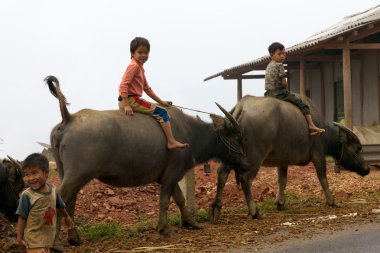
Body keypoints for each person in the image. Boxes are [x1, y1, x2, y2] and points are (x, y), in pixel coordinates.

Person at [118, 37, 189, 149]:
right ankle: (171, 141)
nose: (144, 55)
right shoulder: (134, 66)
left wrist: (161, 102)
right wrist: (126, 105)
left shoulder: (140, 68)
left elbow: (147, 89)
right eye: (140, 52)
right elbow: (123, 85)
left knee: (160, 107)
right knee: (162, 113)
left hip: (133, 99)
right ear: (132, 53)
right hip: (131, 100)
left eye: (146, 52)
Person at [16, 153, 74, 253]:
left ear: (46, 173)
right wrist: (19, 238)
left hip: (49, 239)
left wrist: (67, 217)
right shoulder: (27, 196)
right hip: (33, 241)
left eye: (34, 173)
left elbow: (60, 205)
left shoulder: (53, 190)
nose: (30, 178)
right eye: (26, 174)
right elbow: (22, 217)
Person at [264, 42, 325, 135]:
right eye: (279, 54)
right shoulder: (279, 65)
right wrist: (285, 88)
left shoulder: (268, 66)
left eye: (284, 53)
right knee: (303, 105)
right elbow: (284, 82)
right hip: (279, 93)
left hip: (268, 93)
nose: (282, 56)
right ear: (272, 55)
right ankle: (311, 125)